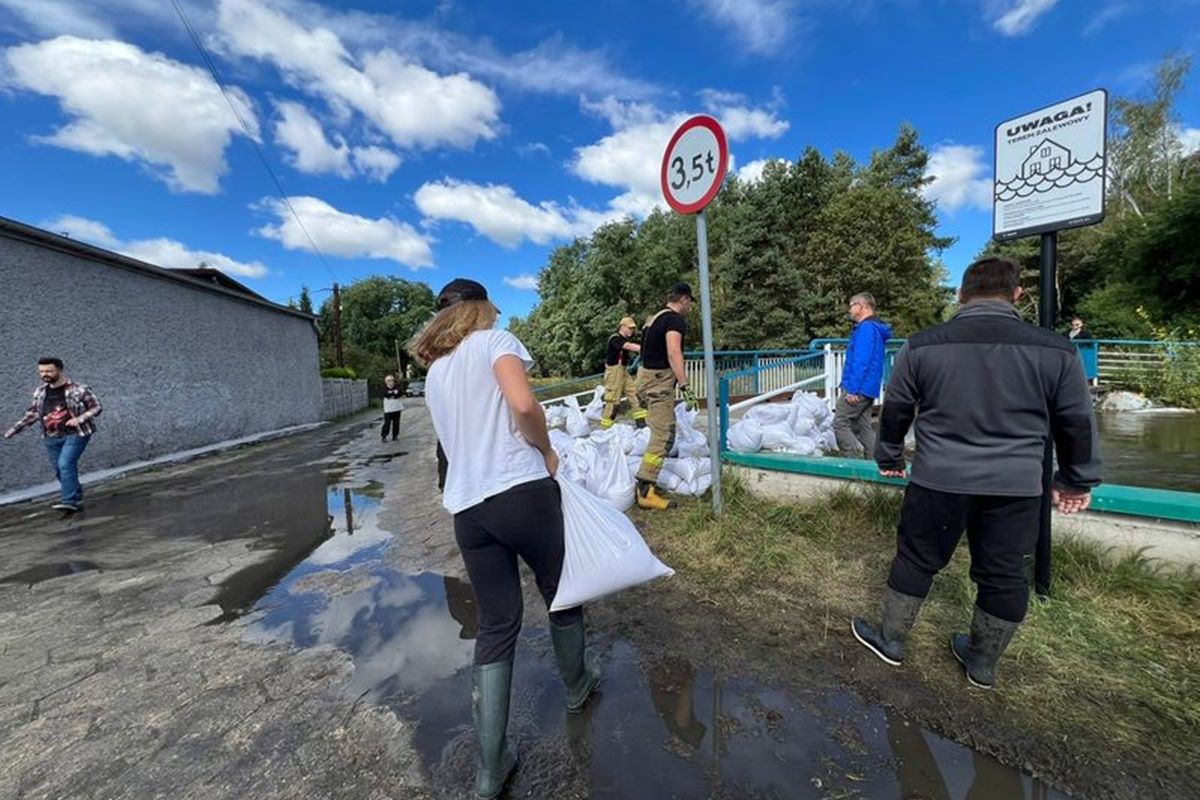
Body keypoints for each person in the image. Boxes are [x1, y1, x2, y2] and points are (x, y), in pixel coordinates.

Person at [851, 258, 1100, 690]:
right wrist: (1075, 479)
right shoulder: (1057, 350)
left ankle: (891, 640)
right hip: (1018, 484)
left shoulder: (924, 345)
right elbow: (1076, 419)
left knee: (915, 558)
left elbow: (896, 410)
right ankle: (981, 663)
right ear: (1017, 294)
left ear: (961, 295)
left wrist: (889, 455)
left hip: (938, 477)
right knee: (1005, 573)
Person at [411, 278, 600, 800]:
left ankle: (491, 770)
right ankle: (577, 686)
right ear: (478, 308)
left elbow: (450, 444)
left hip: (468, 510)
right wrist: (546, 450)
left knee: (496, 625)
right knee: (561, 591)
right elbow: (521, 404)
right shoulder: (497, 342)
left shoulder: (436, 372)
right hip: (519, 491)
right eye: (490, 304)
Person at [3, 357, 102, 513]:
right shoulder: (40, 392)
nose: (45, 374)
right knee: (59, 469)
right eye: (41, 371)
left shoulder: (79, 389)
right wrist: (14, 430)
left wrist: (79, 419)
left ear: (60, 370)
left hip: (76, 434)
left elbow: (96, 407)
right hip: (51, 436)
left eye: (49, 371)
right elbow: (33, 413)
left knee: (65, 464)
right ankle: (76, 496)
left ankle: (69, 501)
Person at [634, 283, 697, 511]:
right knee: (663, 434)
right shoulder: (674, 320)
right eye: (690, 301)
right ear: (683, 299)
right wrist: (685, 385)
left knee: (661, 431)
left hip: (645, 377)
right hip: (659, 381)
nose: (690, 306)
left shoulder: (653, 319)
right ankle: (645, 491)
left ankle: (646, 484)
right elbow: (673, 351)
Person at [835, 293, 892, 459]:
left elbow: (862, 361)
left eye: (852, 305)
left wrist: (852, 389)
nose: (850, 309)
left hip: (858, 388)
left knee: (840, 422)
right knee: (863, 427)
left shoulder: (866, 328)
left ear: (861, 306)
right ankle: (872, 465)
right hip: (868, 387)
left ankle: (851, 464)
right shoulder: (874, 328)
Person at [600, 316, 646, 430]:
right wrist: (646, 349)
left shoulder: (623, 340)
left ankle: (641, 424)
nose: (632, 330)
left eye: (633, 328)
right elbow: (629, 347)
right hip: (614, 373)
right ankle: (605, 429)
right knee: (613, 401)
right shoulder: (615, 339)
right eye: (629, 328)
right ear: (622, 327)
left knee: (634, 395)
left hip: (623, 371)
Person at [380, 374, 405, 442]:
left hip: (397, 408)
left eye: (392, 380)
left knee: (396, 423)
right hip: (388, 409)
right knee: (387, 423)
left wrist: (393, 394)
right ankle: (384, 436)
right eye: (389, 380)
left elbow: (400, 393)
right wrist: (393, 393)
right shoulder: (384, 388)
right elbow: (386, 395)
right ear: (386, 382)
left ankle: (395, 436)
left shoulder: (398, 387)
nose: (391, 382)